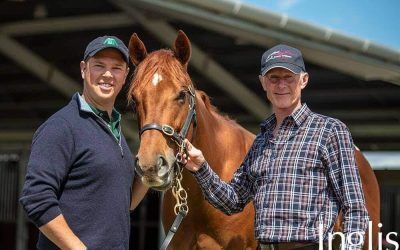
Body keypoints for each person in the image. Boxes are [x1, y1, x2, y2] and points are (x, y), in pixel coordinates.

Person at [183, 44, 369, 250]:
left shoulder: (330, 131)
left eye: (288, 77)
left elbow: (355, 208)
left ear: (303, 80)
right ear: (263, 83)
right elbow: (232, 201)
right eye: (274, 78)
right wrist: (201, 168)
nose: (281, 85)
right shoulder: (261, 143)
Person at [19, 35, 148, 250]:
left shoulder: (115, 131)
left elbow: (125, 205)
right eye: (99, 66)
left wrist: (150, 170)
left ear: (126, 75)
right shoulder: (61, 127)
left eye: (116, 68)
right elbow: (36, 198)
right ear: (83, 69)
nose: (108, 74)